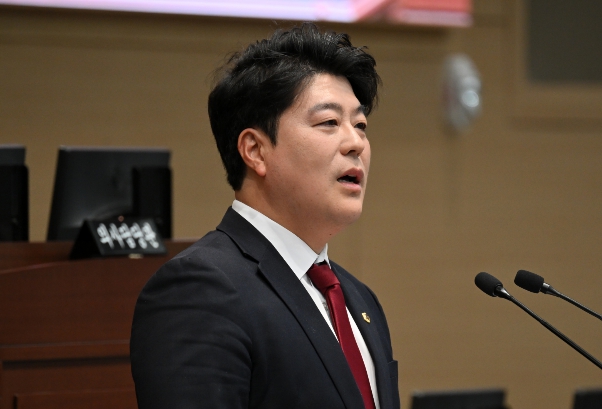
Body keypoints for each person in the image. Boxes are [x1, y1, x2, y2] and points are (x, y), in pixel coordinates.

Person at [130, 23, 399, 409]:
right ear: (255, 150)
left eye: (360, 125)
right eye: (329, 122)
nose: (356, 142)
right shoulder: (201, 289)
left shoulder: (359, 299)